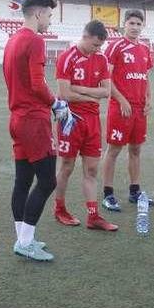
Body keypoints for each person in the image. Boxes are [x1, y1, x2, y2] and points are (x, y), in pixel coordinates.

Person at [3, 0, 72, 261]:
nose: (50, 20)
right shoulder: (34, 41)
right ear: (38, 13)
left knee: (23, 180)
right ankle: (26, 241)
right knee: (46, 181)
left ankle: (22, 238)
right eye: (49, 15)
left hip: (17, 118)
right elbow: (37, 82)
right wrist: (57, 103)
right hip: (33, 120)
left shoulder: (12, 41)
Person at [52, 20, 118, 232]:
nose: (97, 50)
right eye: (95, 45)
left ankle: (93, 217)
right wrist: (91, 93)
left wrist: (80, 90)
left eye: (100, 46)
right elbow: (64, 94)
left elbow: (106, 92)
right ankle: (59, 209)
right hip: (69, 120)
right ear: (85, 36)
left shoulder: (101, 58)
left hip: (92, 121)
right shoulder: (66, 57)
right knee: (67, 167)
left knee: (91, 169)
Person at [101, 10, 154, 212]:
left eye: (138, 24)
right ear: (124, 24)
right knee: (114, 149)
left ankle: (135, 191)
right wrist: (121, 99)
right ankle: (108, 194)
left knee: (136, 149)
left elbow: (145, 77)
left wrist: (149, 98)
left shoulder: (144, 49)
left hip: (139, 108)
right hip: (121, 107)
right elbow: (107, 78)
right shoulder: (115, 47)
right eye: (131, 23)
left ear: (142, 26)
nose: (135, 27)